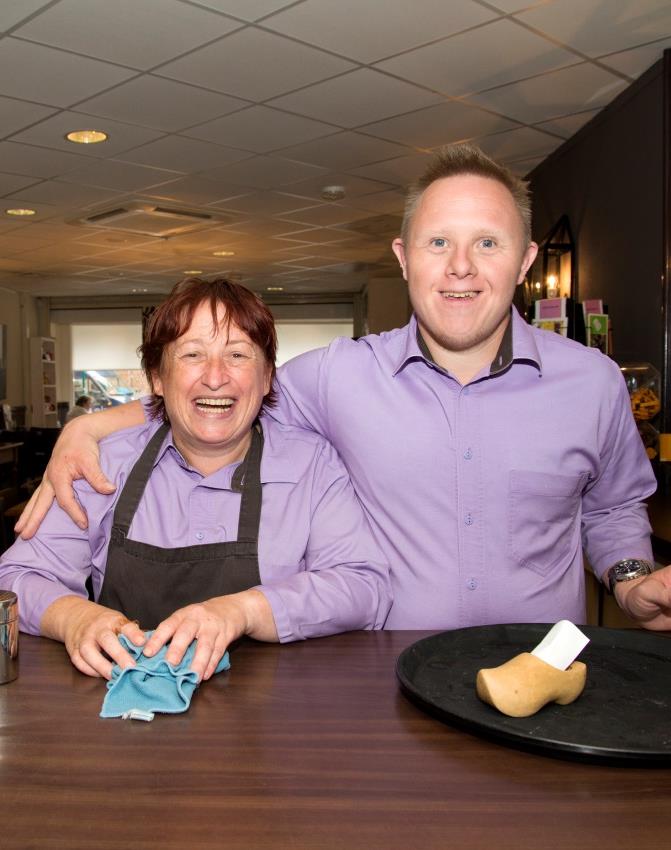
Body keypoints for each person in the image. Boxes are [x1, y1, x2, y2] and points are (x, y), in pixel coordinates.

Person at [17, 144, 671, 632]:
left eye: (488, 243)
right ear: (402, 257)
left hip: (545, 673)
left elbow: (612, 509)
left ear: (526, 261)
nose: (460, 268)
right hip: (390, 688)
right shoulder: (336, 376)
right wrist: (89, 427)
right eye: (437, 241)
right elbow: (220, 399)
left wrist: (631, 582)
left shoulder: (590, 382)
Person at [0, 278, 391, 681]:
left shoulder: (312, 464)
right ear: (157, 377)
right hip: (122, 716)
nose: (215, 377)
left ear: (268, 377)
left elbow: (363, 587)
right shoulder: (103, 465)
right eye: (192, 354)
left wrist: (245, 611)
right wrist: (76, 618)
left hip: (271, 723)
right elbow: (19, 577)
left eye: (238, 354)